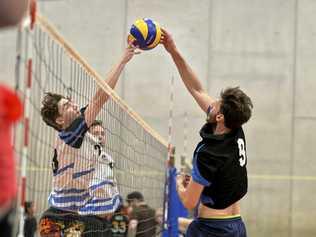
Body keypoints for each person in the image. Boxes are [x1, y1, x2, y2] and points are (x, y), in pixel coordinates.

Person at [161, 29, 253, 237]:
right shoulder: (235, 127)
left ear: (220, 117)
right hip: (237, 225)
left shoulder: (209, 154)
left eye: (217, 104)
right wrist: (173, 50)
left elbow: (188, 202)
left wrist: (177, 184)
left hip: (212, 229)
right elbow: (197, 89)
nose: (212, 103)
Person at [38, 45, 138, 237]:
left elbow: (98, 99)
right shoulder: (70, 135)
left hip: (73, 216)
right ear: (60, 120)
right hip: (59, 218)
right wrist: (122, 60)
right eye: (67, 106)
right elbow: (101, 97)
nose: (74, 105)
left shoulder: (76, 132)